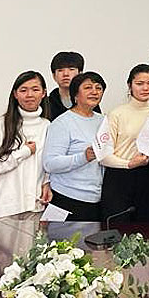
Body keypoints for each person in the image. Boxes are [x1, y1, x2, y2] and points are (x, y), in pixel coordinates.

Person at [0, 70, 51, 223]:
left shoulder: (47, 126)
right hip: (3, 207)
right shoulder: (1, 124)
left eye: (35, 89)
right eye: (23, 90)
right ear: (15, 94)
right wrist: (24, 152)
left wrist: (47, 182)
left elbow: (48, 164)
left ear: (44, 93)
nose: (29, 95)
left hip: (34, 206)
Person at [41, 71, 106, 221]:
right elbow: (50, 163)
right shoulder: (62, 122)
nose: (94, 92)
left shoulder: (104, 121)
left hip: (96, 199)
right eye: (88, 88)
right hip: (66, 197)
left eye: (98, 88)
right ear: (75, 94)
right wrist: (83, 157)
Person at [101, 64, 149, 223]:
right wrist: (129, 164)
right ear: (129, 85)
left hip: (147, 176)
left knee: (145, 229)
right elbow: (103, 155)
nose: (145, 88)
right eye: (139, 83)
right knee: (116, 228)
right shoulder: (116, 114)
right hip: (118, 177)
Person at [47, 51, 96, 121]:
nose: (66, 74)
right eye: (60, 70)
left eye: (71, 69)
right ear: (54, 76)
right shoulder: (47, 103)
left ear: (80, 73)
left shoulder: (89, 100)